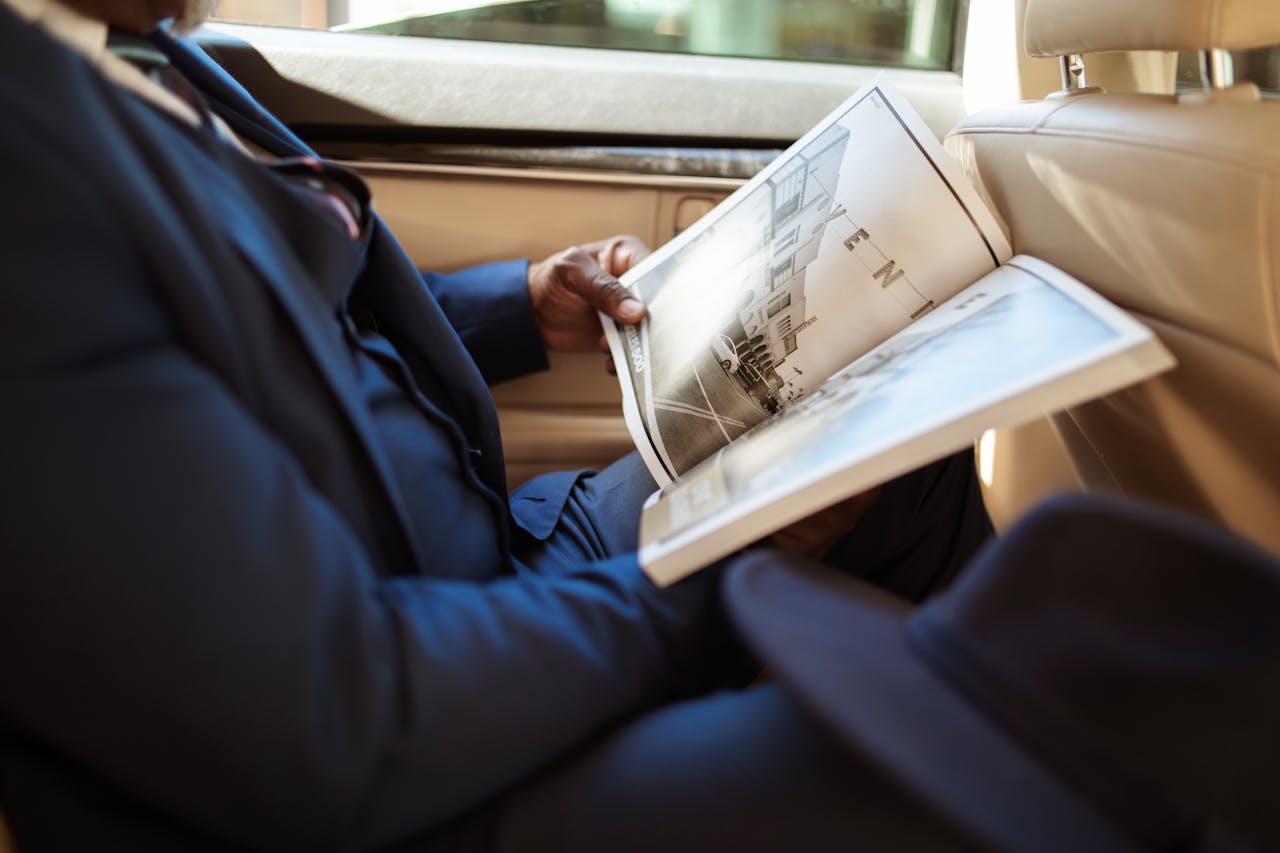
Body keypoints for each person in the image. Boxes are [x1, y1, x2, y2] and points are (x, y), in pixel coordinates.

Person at [0, 0, 992, 850]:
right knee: (947, 759)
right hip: (411, 754)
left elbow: (275, 316)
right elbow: (337, 725)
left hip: (489, 574)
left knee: (897, 453)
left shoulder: (131, 52)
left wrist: (521, 308)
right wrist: (723, 566)